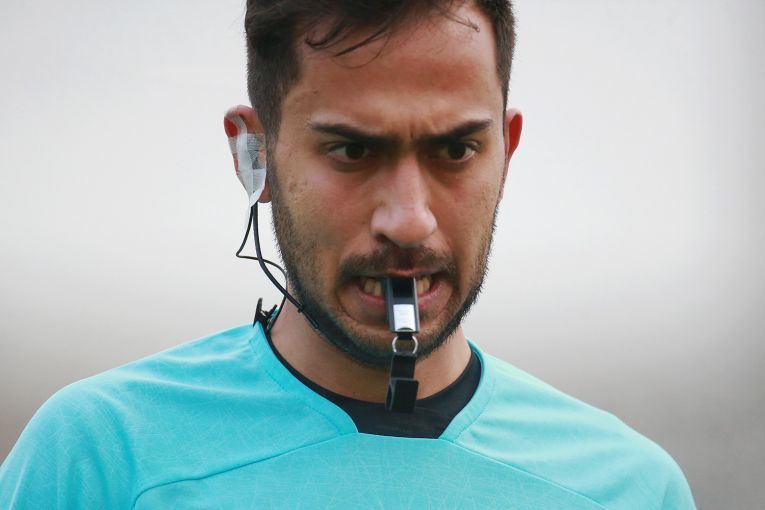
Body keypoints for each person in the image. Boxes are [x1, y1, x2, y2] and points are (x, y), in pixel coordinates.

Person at [0, 0, 697, 508]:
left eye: (456, 149)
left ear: (506, 152)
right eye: (353, 151)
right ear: (254, 154)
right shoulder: (101, 456)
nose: (409, 221)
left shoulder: (628, 488)